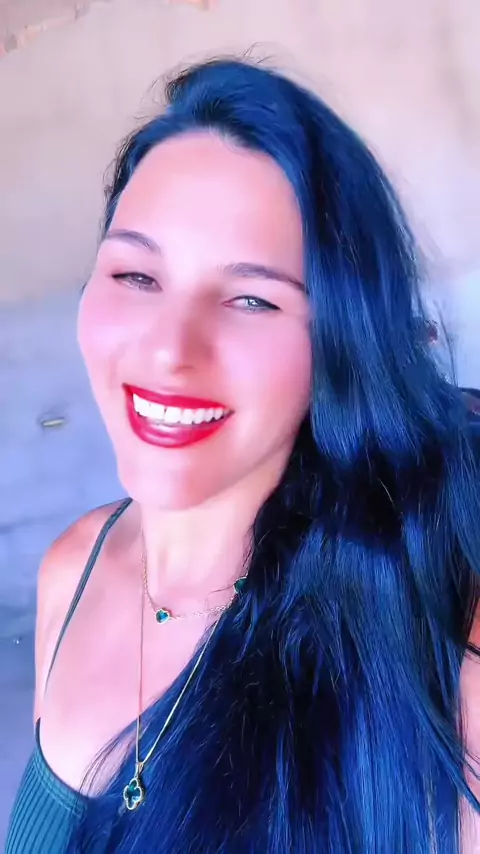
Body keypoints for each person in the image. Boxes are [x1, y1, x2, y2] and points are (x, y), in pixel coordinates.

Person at [6, 58, 480, 853]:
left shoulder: (430, 663)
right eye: (136, 274)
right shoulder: (70, 573)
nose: (169, 350)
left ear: (340, 342)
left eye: (252, 298)